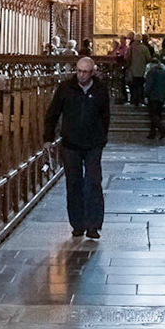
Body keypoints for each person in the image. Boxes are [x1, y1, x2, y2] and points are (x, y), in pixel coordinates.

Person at [44, 55, 111, 238]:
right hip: (71, 143)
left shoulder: (100, 90)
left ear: (92, 72)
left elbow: (105, 116)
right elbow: (53, 113)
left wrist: (102, 137)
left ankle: (93, 225)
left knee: (93, 182)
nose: (81, 75)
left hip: (93, 144)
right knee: (73, 183)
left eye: (86, 72)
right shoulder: (66, 88)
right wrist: (48, 138)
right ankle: (77, 224)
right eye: (79, 71)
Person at [144, 51, 165, 141]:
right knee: (158, 114)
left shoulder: (151, 72)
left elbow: (149, 84)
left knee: (153, 114)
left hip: (153, 96)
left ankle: (161, 129)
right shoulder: (163, 72)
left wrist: (146, 94)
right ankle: (152, 132)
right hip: (161, 96)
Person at [125, 34, 150, 106]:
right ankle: (140, 99)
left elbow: (127, 57)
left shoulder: (131, 47)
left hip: (133, 70)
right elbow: (148, 58)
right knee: (140, 85)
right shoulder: (144, 48)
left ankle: (134, 99)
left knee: (133, 86)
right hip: (142, 70)